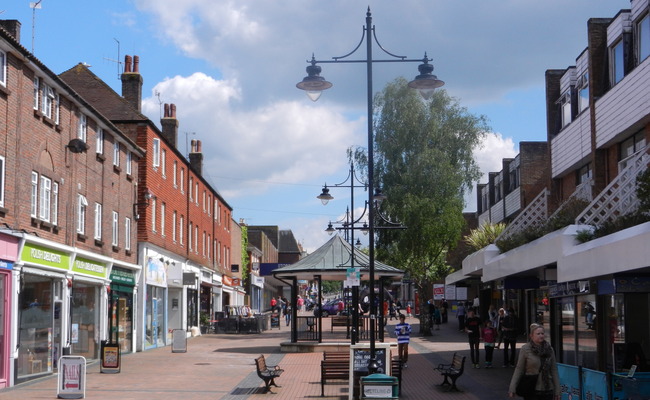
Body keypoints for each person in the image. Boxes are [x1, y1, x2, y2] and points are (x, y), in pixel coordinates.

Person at [508, 323, 560, 400]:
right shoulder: (525, 349)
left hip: (548, 389)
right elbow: (519, 369)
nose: (541, 335)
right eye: (538, 334)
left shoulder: (549, 349)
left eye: (542, 333)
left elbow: (554, 370)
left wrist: (557, 391)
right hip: (532, 388)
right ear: (531, 336)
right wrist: (512, 387)